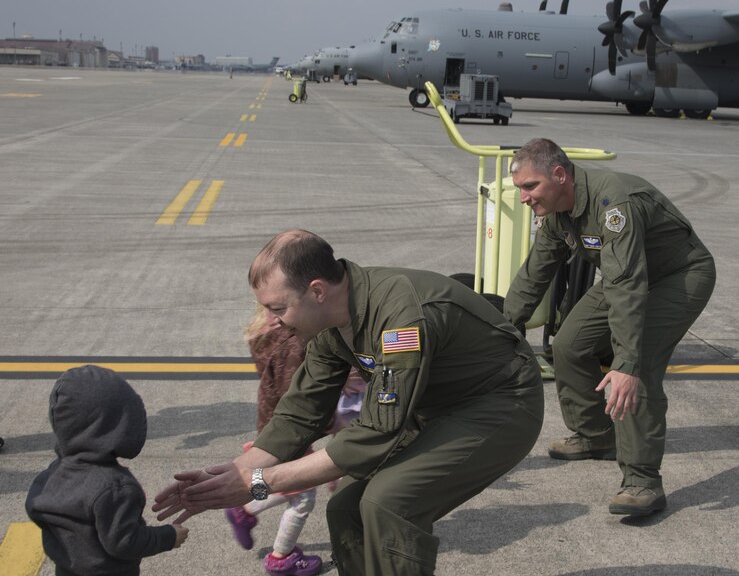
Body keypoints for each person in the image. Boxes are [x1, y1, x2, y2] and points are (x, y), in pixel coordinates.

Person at [153, 229, 544, 576]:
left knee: (389, 502)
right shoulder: (326, 323)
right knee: (344, 505)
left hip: (501, 403)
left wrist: (257, 485)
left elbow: (375, 432)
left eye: (277, 307)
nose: (271, 321)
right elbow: (298, 414)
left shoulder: (400, 320)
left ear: (317, 290)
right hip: (430, 406)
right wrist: (232, 475)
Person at [503, 138, 716, 516]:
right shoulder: (557, 214)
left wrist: (625, 363)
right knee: (569, 344)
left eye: (529, 186)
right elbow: (535, 274)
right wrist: (504, 329)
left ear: (559, 174)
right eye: (520, 188)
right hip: (629, 276)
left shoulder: (613, 203)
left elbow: (628, 284)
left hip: (679, 276)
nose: (523, 197)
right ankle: (596, 436)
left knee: (638, 364)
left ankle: (642, 480)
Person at [225, 305, 365, 576]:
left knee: (277, 482)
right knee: (302, 499)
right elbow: (302, 403)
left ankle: (244, 507)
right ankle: (281, 557)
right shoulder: (295, 345)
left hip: (271, 423)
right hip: (289, 431)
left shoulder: (265, 335)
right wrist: (335, 412)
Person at [25, 365, 188, 576]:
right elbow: (125, 542)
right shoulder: (114, 488)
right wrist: (168, 536)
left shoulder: (51, 475)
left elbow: (34, 507)